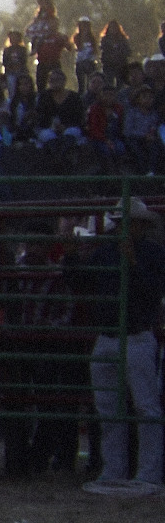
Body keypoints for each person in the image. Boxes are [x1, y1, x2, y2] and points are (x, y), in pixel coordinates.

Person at [85, 200, 165, 494]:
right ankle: (126, 470)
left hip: (132, 335)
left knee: (141, 407)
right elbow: (83, 282)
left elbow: (152, 293)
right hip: (118, 335)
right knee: (113, 408)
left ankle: (140, 472)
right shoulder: (110, 251)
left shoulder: (151, 253)